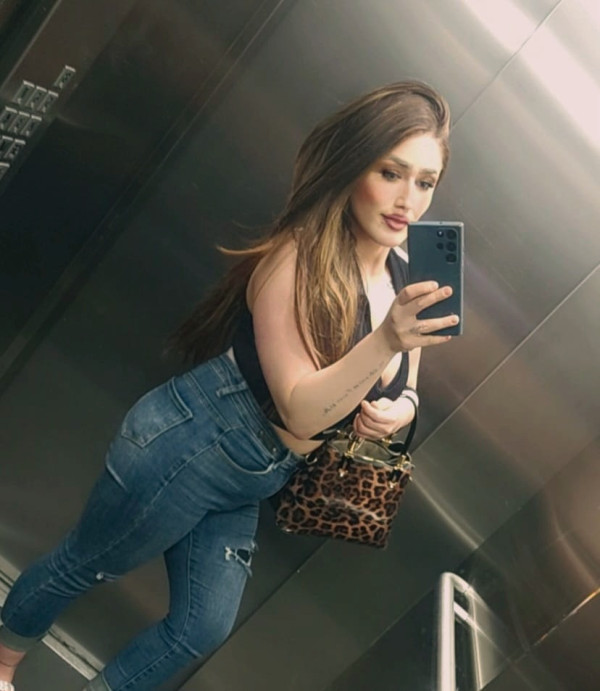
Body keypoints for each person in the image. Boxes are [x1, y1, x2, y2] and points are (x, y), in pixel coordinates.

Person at [0, 80, 457, 690]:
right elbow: (300, 410)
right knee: (88, 562)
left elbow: (407, 384)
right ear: (354, 166)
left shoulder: (405, 275)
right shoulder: (296, 258)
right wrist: (386, 341)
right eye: (391, 173)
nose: (407, 200)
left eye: (425, 182)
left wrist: (402, 410)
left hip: (255, 475)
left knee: (201, 627)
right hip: (193, 443)